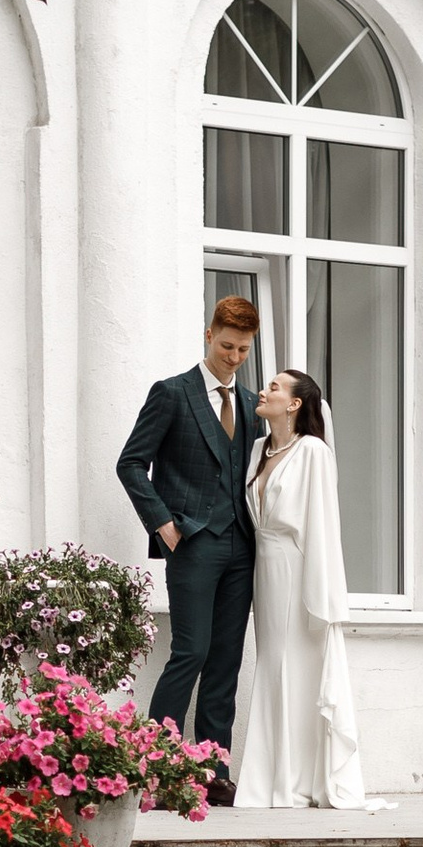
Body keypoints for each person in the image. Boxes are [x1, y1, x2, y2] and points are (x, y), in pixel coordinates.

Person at [116, 296, 261, 803]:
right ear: (208, 336)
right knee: (191, 652)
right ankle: (155, 768)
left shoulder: (249, 405)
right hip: (193, 543)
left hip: (242, 547)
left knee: (226, 660)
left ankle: (213, 771)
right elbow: (131, 464)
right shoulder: (172, 394)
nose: (234, 357)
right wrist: (164, 525)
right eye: (227, 346)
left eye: (243, 349)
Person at [234, 368, 372, 809]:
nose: (264, 389)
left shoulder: (312, 450)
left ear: (294, 404)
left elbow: (322, 523)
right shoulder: (257, 448)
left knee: (299, 667)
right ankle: (273, 778)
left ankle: (300, 781)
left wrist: (323, 592)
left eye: (274, 386)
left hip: (297, 570)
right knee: (274, 667)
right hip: (264, 572)